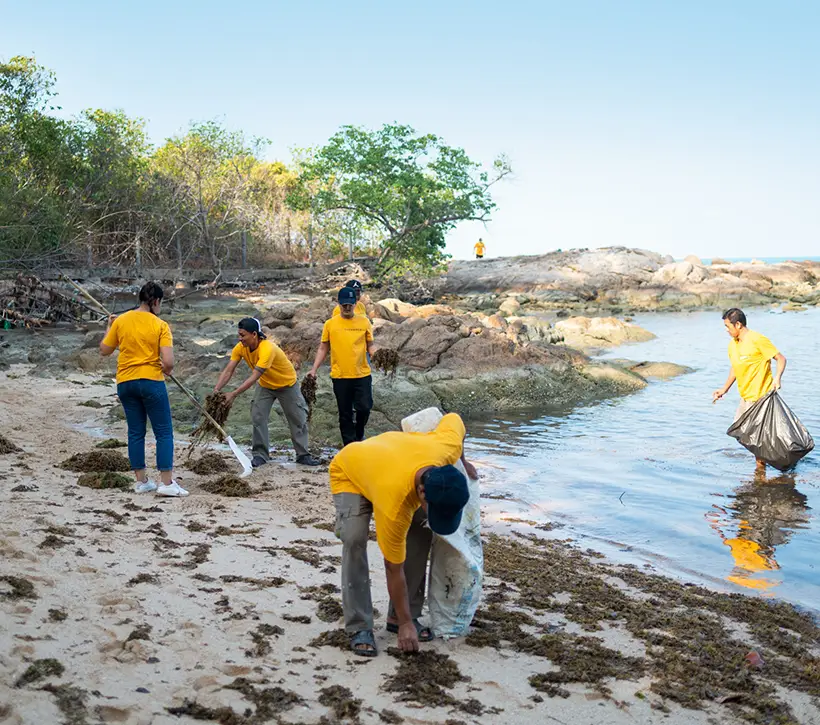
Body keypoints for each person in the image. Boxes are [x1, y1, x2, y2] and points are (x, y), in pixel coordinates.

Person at [329, 412, 477, 656]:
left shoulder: (445, 450)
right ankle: (359, 625)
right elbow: (392, 567)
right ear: (421, 491)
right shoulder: (395, 505)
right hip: (350, 471)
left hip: (388, 461)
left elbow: (455, 420)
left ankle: (398, 616)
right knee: (354, 539)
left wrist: (465, 460)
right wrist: (408, 627)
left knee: (422, 527)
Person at [99, 282, 186, 497]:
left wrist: (109, 327)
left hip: (125, 382)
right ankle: (166, 483)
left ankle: (142, 482)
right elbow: (168, 362)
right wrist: (165, 369)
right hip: (150, 382)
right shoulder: (160, 325)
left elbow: (104, 350)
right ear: (155, 301)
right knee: (163, 432)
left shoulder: (122, 320)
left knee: (136, 432)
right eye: (160, 303)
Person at [213, 318, 319, 467]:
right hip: (266, 385)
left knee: (298, 418)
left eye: (242, 335)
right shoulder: (240, 348)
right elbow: (229, 370)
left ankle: (303, 455)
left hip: (287, 384)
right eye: (239, 334)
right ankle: (260, 455)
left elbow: (254, 376)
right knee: (258, 416)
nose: (240, 338)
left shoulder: (267, 349)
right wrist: (216, 390)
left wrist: (233, 394)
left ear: (254, 334)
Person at [712, 308, 787, 469]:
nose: (726, 330)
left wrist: (777, 378)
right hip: (745, 397)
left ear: (738, 324)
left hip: (761, 398)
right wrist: (724, 389)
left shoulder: (757, 339)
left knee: (758, 438)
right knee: (742, 433)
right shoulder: (733, 345)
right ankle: (768, 465)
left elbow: (780, 358)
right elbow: (735, 367)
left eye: (727, 326)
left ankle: (761, 471)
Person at [308, 287, 375, 446]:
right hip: (340, 376)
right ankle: (349, 445)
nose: (346, 308)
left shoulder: (364, 321)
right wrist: (313, 369)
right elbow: (323, 348)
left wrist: (377, 355)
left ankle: (359, 435)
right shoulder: (330, 324)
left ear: (355, 303)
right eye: (343, 305)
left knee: (364, 408)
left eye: (350, 305)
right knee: (345, 414)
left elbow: (370, 345)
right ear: (338, 303)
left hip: (362, 374)